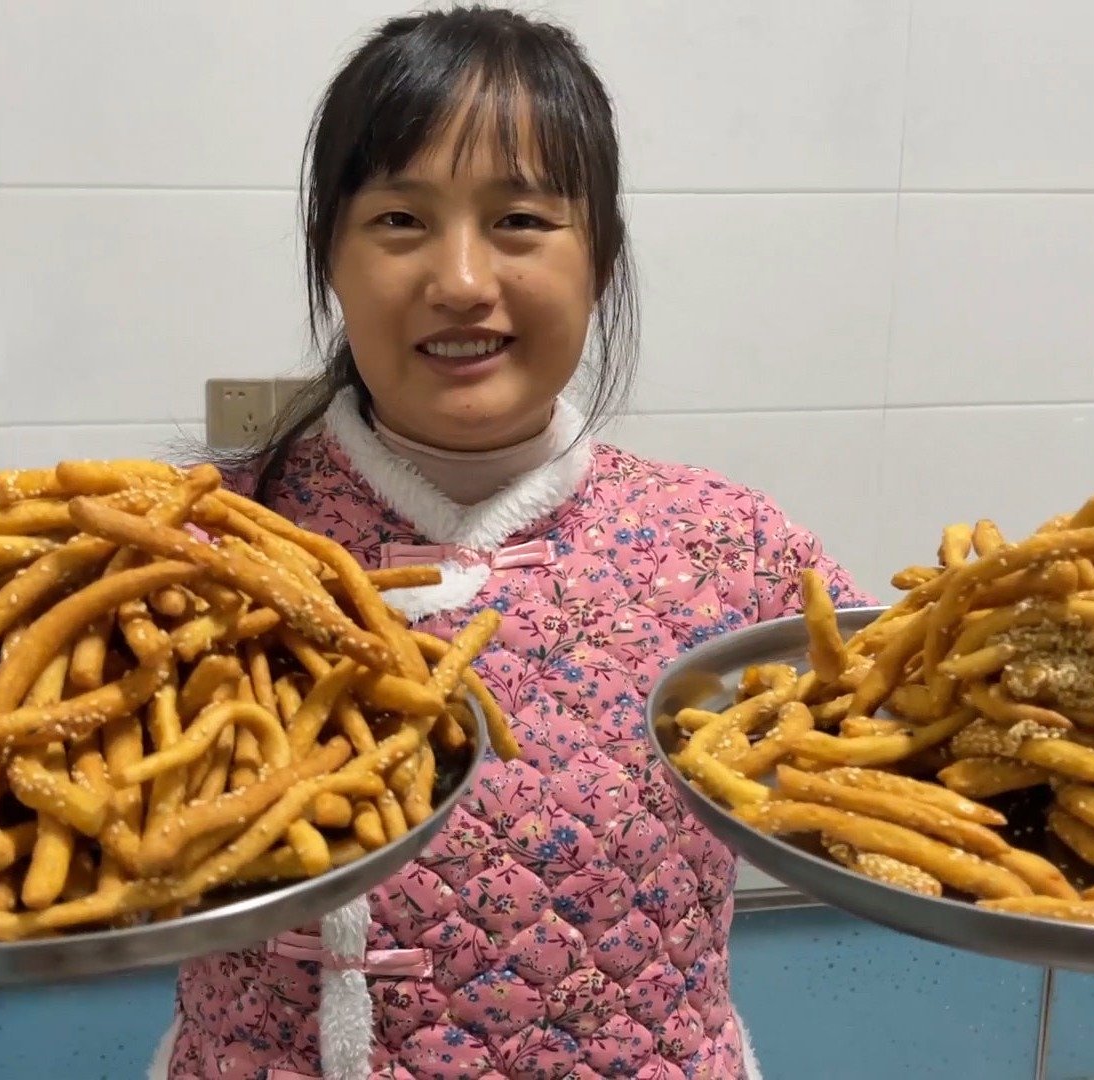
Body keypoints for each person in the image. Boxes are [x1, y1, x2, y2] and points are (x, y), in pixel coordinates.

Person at [153, 6, 871, 1078]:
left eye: (521, 221)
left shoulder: (740, 555)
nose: (461, 280)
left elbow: (903, 781)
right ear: (330, 258)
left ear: (601, 258)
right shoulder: (189, 548)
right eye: (399, 219)